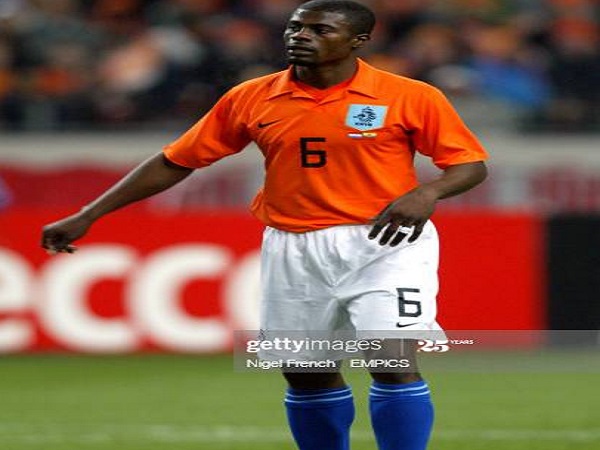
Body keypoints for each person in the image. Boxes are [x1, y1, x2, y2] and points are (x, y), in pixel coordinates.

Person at [41, 1, 488, 449]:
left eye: (319, 29)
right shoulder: (251, 97)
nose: (300, 36)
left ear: (358, 40)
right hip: (293, 244)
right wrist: (88, 214)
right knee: (306, 372)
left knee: (390, 358)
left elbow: (469, 165)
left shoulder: (409, 95)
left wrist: (427, 192)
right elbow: (175, 160)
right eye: (295, 27)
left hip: (385, 243)